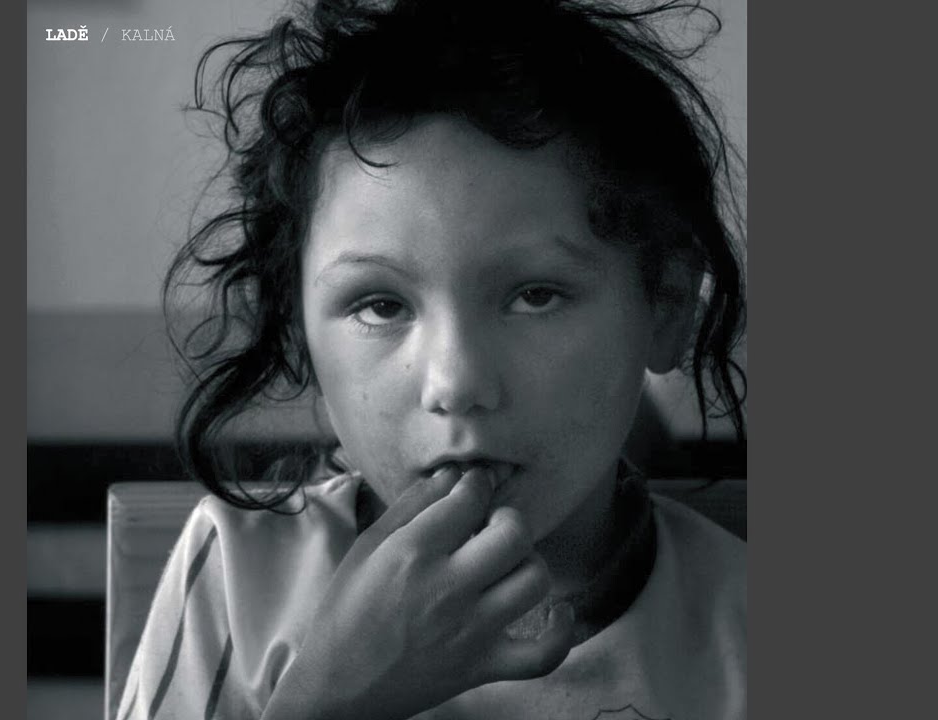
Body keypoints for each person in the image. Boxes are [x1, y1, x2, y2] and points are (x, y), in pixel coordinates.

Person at [118, 0, 747, 718]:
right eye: (381, 306)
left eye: (535, 296)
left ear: (666, 305)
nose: (455, 383)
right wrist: (334, 699)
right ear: (297, 332)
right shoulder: (241, 578)